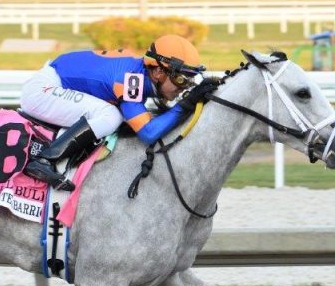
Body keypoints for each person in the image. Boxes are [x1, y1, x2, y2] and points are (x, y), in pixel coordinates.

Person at [20, 34, 219, 191]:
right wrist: (185, 104)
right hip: (42, 90)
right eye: (181, 79)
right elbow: (148, 133)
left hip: (54, 80)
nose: (184, 87)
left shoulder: (138, 73)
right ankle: (43, 160)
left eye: (190, 79)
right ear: (158, 72)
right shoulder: (131, 80)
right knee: (110, 116)